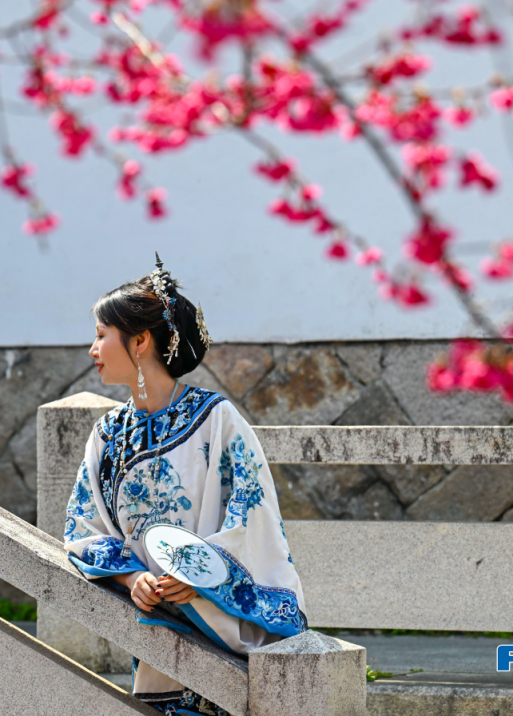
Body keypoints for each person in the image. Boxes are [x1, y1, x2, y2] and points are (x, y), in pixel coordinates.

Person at [64, 255, 307, 716]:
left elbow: (252, 517)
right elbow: (84, 528)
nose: (92, 349)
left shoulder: (219, 420)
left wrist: (199, 576)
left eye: (100, 336)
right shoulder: (107, 434)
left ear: (139, 341)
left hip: (218, 623)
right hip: (155, 628)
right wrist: (132, 577)